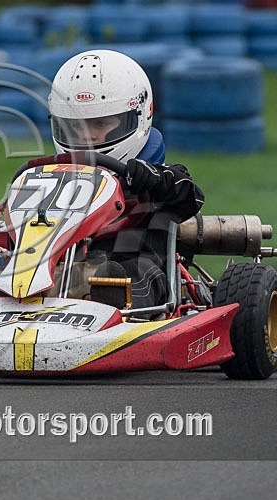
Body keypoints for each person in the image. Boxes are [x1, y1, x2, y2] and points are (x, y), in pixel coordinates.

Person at [47, 49, 206, 310]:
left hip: (138, 280)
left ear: (138, 116)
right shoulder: (56, 179)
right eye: (75, 126)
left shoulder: (157, 180)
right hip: (57, 273)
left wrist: (151, 178)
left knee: (113, 276)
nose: (86, 137)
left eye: (99, 124)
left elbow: (192, 196)